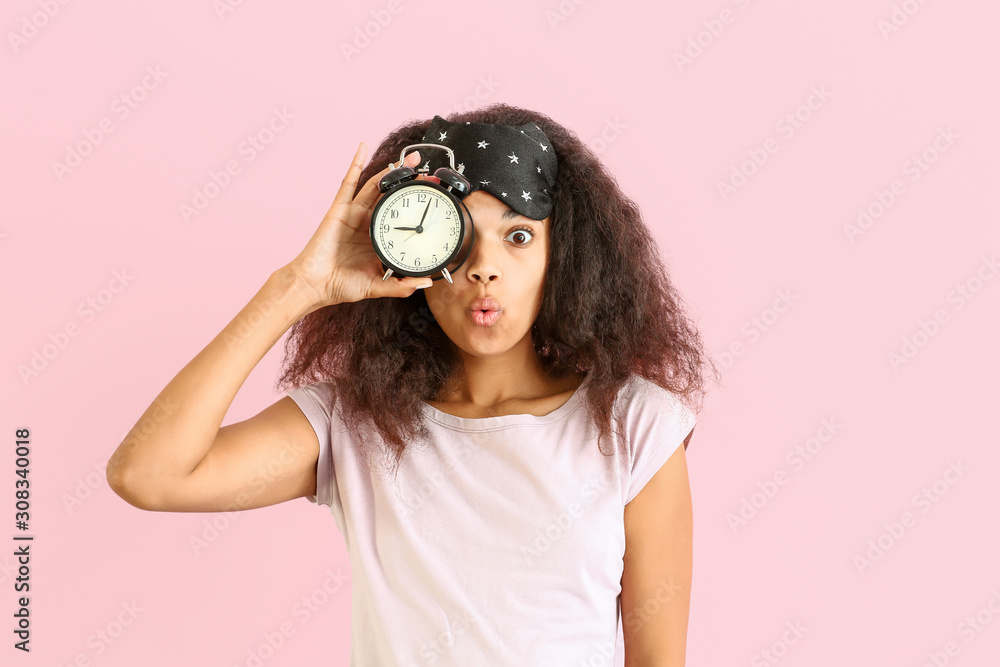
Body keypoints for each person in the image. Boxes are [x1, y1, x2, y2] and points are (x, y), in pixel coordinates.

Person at [107, 103, 718, 666]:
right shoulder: (354, 422)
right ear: (412, 257)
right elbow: (148, 475)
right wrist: (298, 287)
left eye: (519, 235)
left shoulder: (636, 425)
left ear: (566, 257)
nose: (484, 267)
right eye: (457, 238)